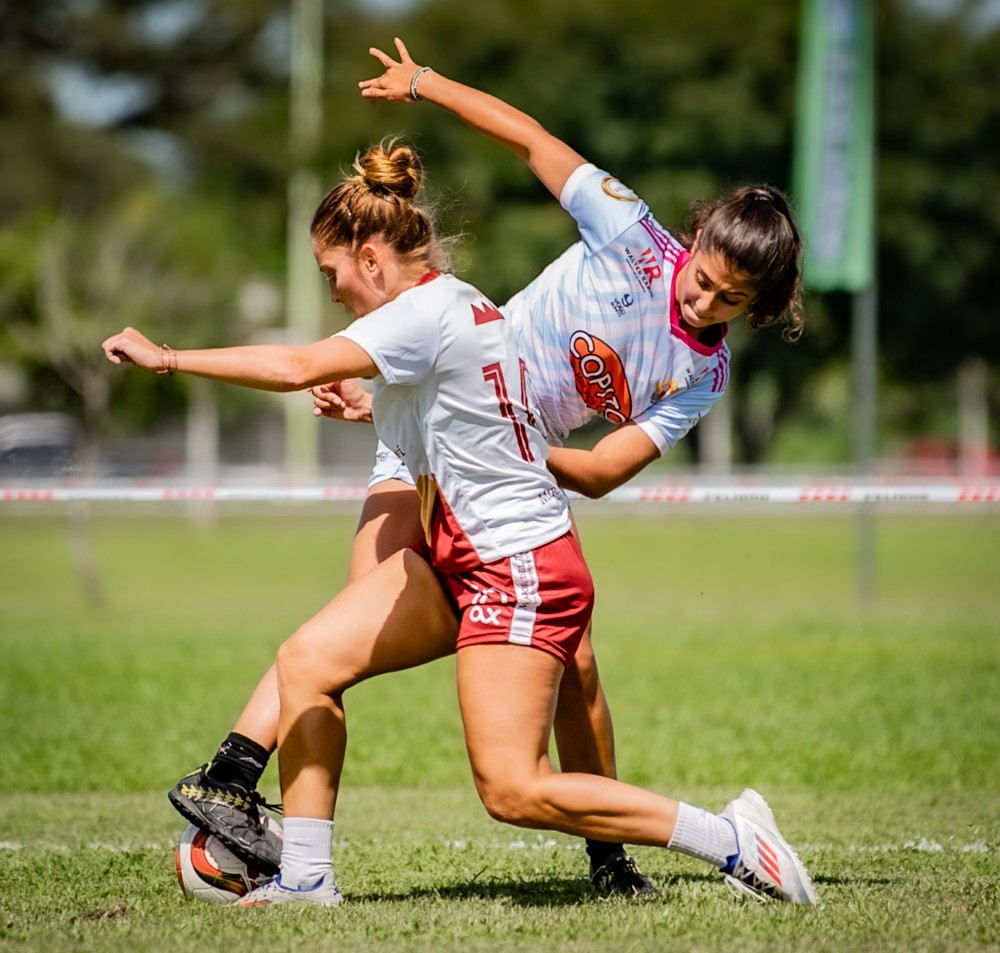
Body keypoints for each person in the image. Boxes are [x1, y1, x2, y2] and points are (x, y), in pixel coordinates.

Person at [165, 38, 806, 898]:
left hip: (504, 474)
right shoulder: (632, 233)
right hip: (448, 440)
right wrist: (426, 84)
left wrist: (487, 428)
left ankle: (610, 857)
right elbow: (532, 138)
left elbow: (610, 464)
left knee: (572, 669)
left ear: (757, 309)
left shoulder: (705, 372)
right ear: (690, 241)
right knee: (335, 645)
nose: (701, 300)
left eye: (729, 300)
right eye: (703, 277)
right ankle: (275, 830)